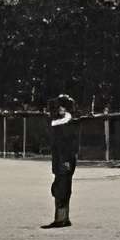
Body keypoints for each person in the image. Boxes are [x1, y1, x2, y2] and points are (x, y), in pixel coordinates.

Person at [43, 94, 78, 229]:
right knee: (60, 188)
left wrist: (65, 161)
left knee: (61, 189)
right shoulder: (63, 121)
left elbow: (67, 145)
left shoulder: (65, 122)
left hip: (65, 159)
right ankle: (63, 218)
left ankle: (61, 219)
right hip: (62, 159)